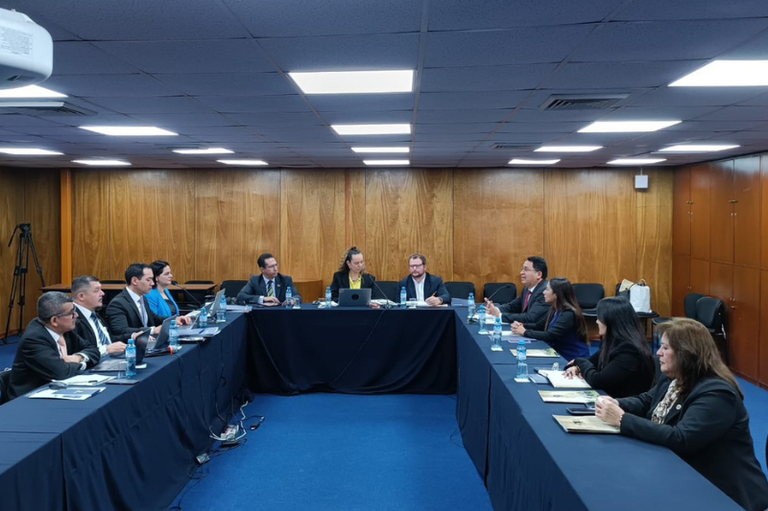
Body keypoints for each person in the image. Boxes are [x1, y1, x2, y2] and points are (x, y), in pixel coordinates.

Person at [596, 318, 768, 511]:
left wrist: (622, 419)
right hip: (685, 478)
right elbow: (647, 401)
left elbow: (682, 438)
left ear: (686, 353)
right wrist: (615, 403)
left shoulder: (717, 393)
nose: (658, 353)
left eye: (665, 348)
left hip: (725, 495)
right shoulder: (674, 378)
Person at [6, 292, 100, 400]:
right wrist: (84, 364)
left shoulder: (65, 329)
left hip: (55, 390)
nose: (77, 315)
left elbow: (93, 349)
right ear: (54, 320)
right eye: (72, 313)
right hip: (29, 399)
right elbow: (62, 372)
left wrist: (78, 357)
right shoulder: (33, 339)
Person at [563, 297, 655, 398]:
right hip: (608, 400)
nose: (597, 321)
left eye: (600, 318)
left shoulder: (629, 350)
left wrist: (579, 362)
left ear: (612, 321)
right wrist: (577, 367)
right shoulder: (611, 342)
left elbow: (598, 380)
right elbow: (591, 362)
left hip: (622, 407)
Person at [106, 263, 190, 342]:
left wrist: (173, 320)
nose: (152, 283)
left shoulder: (143, 298)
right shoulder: (118, 303)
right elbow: (121, 330)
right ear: (135, 281)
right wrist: (152, 330)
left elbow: (154, 318)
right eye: (148, 280)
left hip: (149, 342)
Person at [510, 277, 589, 360]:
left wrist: (525, 332)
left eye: (547, 290)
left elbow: (551, 335)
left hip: (572, 358)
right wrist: (522, 325)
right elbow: (539, 325)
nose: (544, 292)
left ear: (556, 295)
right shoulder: (554, 309)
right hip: (558, 353)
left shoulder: (568, 314)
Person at [72, 275, 139, 358]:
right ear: (81, 296)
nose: (102, 293)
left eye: (101, 289)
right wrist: (106, 349)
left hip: (109, 359)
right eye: (96, 291)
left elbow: (109, 340)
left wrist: (132, 336)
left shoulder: (94, 314)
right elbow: (78, 352)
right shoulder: (72, 318)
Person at [485, 256, 549, 324]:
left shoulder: (544, 292)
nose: (521, 272)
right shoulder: (527, 288)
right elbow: (513, 306)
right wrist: (495, 310)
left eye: (526, 269)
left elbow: (530, 318)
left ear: (539, 274)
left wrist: (500, 315)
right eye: (522, 269)